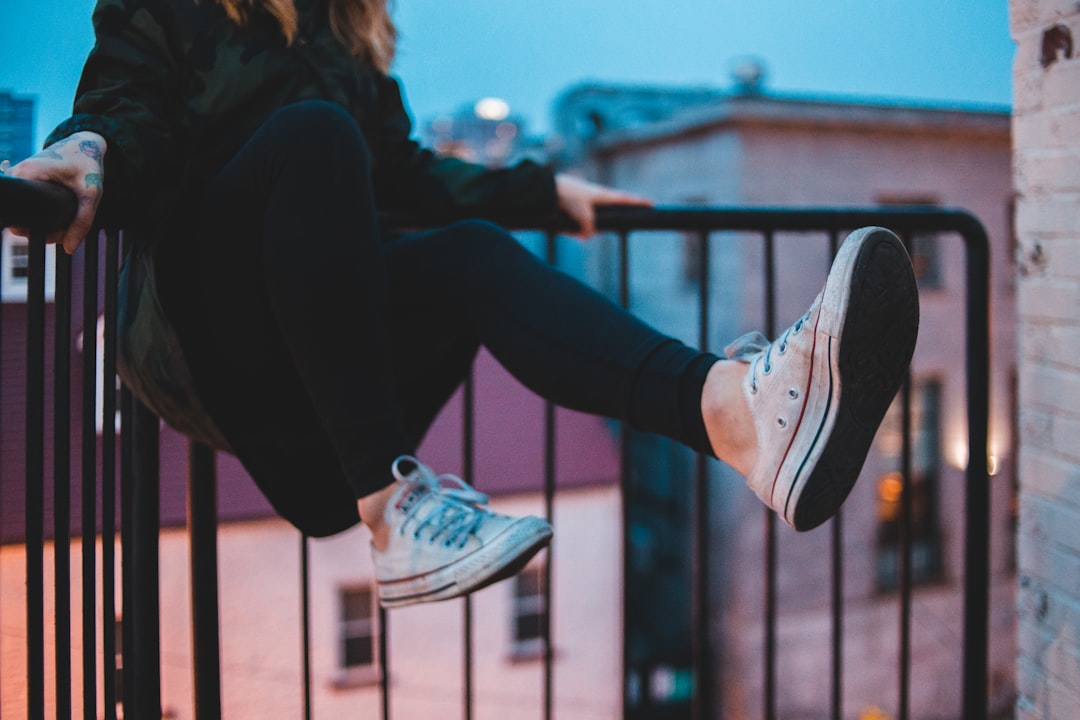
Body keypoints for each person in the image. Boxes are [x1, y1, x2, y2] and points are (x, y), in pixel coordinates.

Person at [3, 0, 918, 608]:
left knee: (472, 255)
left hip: (320, 381)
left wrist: (545, 194)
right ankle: (394, 512)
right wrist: (83, 154)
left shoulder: (347, 37)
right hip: (213, 340)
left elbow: (406, 176)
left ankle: (736, 418)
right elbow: (122, 102)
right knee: (312, 140)